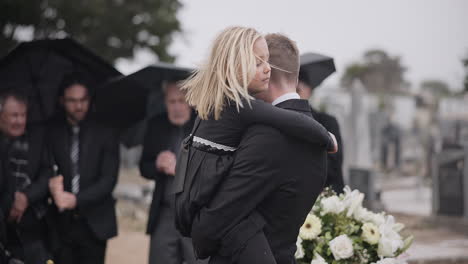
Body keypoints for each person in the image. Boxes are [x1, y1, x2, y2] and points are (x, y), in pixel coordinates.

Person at [175, 26, 336, 244]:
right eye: (258, 63)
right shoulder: (239, 105)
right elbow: (289, 119)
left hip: (191, 191)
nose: (268, 69)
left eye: (267, 61)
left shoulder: (218, 100)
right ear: (234, 66)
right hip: (203, 192)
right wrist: (326, 137)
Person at [47, 72, 119, 264]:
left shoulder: (106, 132)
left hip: (94, 224)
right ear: (62, 100)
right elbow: (45, 169)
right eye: (72, 100)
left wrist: (76, 200)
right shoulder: (52, 132)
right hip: (60, 225)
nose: (78, 106)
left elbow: (109, 180)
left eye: (83, 100)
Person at [139, 81, 201, 264]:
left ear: (190, 101)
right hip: (165, 211)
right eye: (171, 102)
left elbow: (213, 170)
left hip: (195, 213)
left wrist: (181, 168)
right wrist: (157, 164)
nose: (177, 107)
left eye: (181, 101)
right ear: (165, 102)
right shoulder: (156, 125)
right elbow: (144, 167)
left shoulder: (204, 123)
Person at [0, 90, 52, 263]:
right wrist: (9, 201)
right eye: (14, 115)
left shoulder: (37, 141)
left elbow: (47, 173)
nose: (20, 121)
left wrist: (25, 197)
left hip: (32, 229)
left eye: (23, 115)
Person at [297, 80, 345, 193]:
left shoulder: (327, 122)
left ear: (309, 90)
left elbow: (333, 165)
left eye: (298, 90)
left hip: (327, 194)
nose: (294, 95)